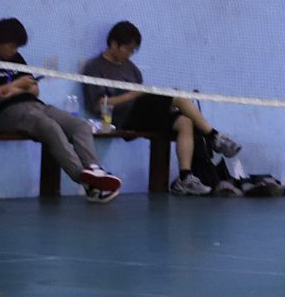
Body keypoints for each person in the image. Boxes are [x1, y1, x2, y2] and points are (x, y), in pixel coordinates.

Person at [82, 21, 242, 197]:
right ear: (113, 44)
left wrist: (140, 95)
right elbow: (98, 105)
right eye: (127, 49)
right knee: (177, 97)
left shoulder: (131, 69)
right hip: (121, 118)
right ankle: (214, 136)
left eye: (133, 51)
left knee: (185, 121)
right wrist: (131, 95)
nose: (130, 54)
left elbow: (140, 97)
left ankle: (185, 178)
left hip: (142, 113)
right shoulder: (94, 67)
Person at [0, 19, 120, 202]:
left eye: (17, 46)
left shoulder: (17, 59)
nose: (14, 50)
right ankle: (86, 180)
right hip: (5, 113)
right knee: (49, 126)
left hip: (37, 105)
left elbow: (34, 89)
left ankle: (94, 169)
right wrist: (16, 86)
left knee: (80, 125)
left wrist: (14, 89)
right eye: (11, 45)